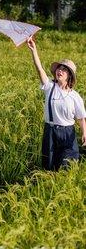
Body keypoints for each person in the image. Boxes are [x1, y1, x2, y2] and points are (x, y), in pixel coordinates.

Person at [27, 37, 86, 171]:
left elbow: (81, 118)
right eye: (59, 68)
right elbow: (39, 69)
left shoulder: (75, 96)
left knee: (67, 167)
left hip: (67, 133)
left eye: (64, 70)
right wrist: (33, 50)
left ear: (69, 76)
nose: (60, 70)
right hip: (50, 132)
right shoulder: (49, 87)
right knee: (49, 167)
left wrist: (84, 133)